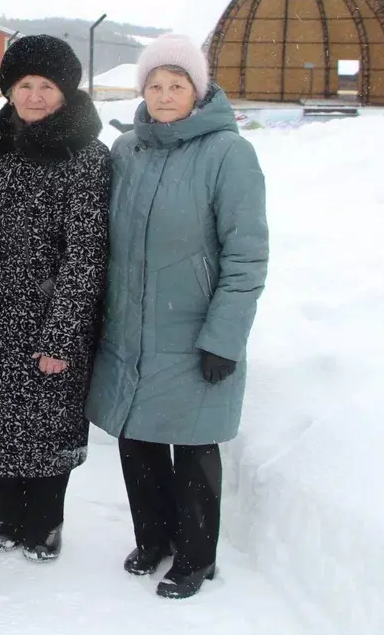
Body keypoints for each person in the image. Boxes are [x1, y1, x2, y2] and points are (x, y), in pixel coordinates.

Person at [85, 33, 269, 599]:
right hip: (131, 327)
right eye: (155, 85)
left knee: (191, 447)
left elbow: (246, 256)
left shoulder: (229, 154)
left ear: (198, 89)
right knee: (137, 441)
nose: (165, 96)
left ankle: (195, 558)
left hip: (192, 333)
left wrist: (224, 338)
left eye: (177, 85)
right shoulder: (127, 152)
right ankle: (154, 538)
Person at [0, 35, 111, 562]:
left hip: (46, 312)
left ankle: (46, 521)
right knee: (4, 417)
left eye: (46, 86)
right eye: (24, 85)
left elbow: (85, 255)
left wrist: (62, 335)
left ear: (66, 92)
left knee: (45, 421)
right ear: (9, 90)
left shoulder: (86, 158)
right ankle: (9, 514)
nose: (34, 96)